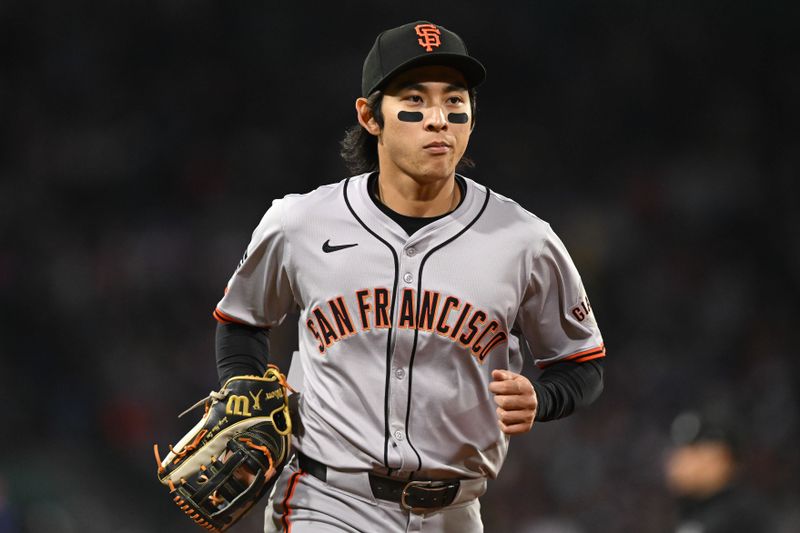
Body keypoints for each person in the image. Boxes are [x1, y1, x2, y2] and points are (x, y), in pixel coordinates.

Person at [212, 21, 606, 532]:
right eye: (415, 100)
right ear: (369, 116)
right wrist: (241, 384)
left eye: (454, 101)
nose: (438, 119)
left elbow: (583, 362)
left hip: (455, 511)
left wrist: (544, 399)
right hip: (326, 500)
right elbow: (241, 320)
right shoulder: (300, 223)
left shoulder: (524, 240)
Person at [665, 411, 776, 533]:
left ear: (723, 458)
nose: (679, 462)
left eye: (694, 451)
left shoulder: (741, 514)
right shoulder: (691, 509)